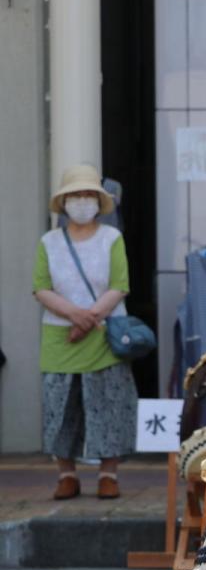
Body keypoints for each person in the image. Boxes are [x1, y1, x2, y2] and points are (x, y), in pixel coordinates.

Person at [32, 165, 138, 500]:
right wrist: (75, 316)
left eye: (88, 194)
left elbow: (120, 285)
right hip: (60, 337)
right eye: (75, 195)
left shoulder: (112, 238)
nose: (81, 201)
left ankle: (109, 474)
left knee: (109, 403)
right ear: (63, 202)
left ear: (98, 200)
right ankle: (66, 474)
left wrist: (88, 319)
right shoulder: (48, 242)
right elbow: (40, 288)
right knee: (59, 406)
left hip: (104, 335)